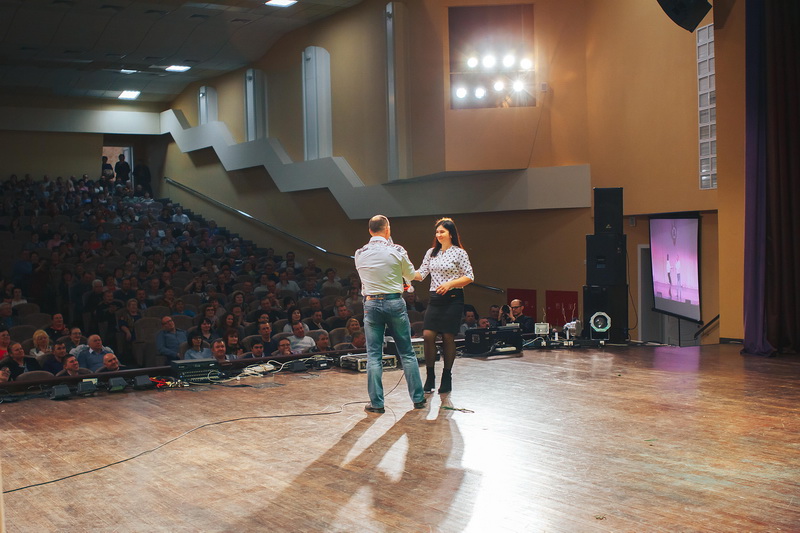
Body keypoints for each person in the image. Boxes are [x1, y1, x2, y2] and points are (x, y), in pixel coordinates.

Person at [355, 214, 426, 414]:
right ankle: (418, 399)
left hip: (371, 303)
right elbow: (410, 275)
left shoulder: (359, 253)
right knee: (407, 352)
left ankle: (377, 404)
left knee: (374, 356)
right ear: (388, 229)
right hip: (394, 302)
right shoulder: (397, 250)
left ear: (370, 231)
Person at [414, 217, 474, 394]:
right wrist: (405, 271)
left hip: (453, 298)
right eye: (437, 232)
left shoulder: (459, 253)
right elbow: (421, 274)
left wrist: (450, 284)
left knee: (448, 337)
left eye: (442, 231)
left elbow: (469, 276)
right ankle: (430, 375)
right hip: (435, 299)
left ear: (451, 234)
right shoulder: (431, 252)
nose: (439, 235)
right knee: (428, 335)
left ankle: (447, 376)